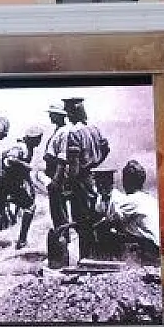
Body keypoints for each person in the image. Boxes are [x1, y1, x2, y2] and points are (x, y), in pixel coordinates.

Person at [60, 96, 111, 259]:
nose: (67, 116)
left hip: (81, 182)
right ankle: (98, 256)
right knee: (96, 219)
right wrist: (95, 163)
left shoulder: (74, 133)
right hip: (95, 178)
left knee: (82, 223)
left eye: (68, 112)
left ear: (74, 112)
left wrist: (68, 184)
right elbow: (106, 149)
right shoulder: (95, 129)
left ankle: (85, 258)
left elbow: (74, 167)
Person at [99, 159, 160, 263]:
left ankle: (105, 262)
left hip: (149, 249)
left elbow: (108, 222)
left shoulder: (130, 200)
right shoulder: (151, 199)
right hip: (158, 247)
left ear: (125, 181)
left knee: (105, 232)